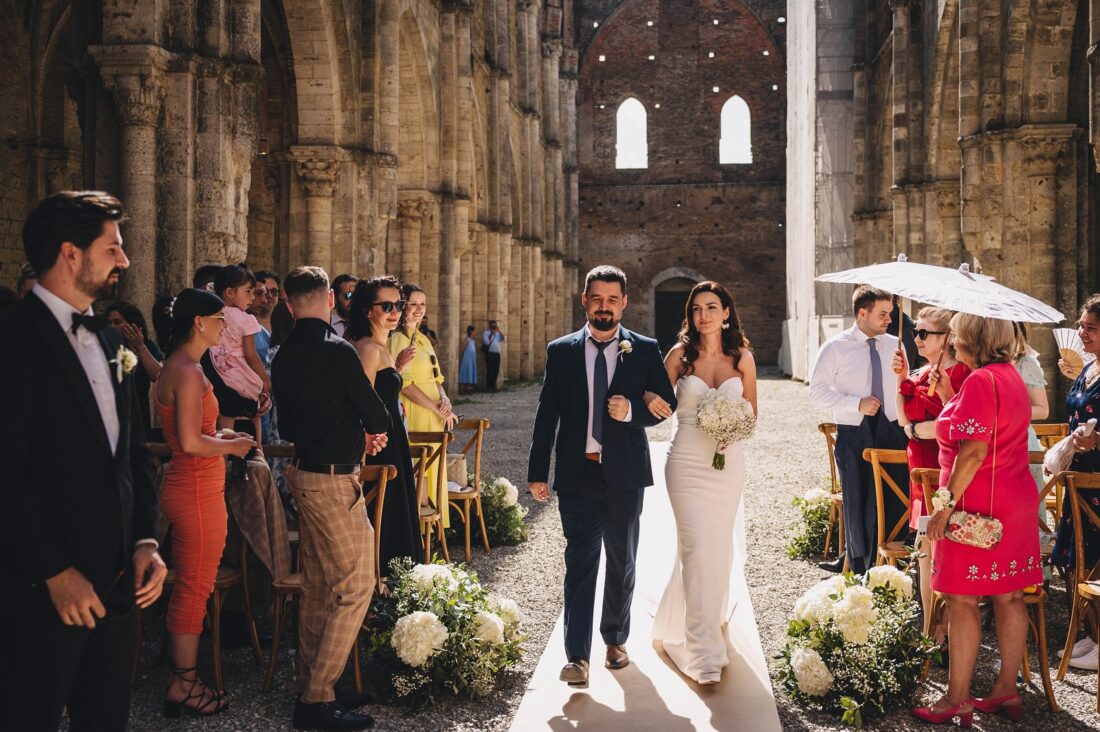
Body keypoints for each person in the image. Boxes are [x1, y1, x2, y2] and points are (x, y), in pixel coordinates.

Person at [0, 191, 167, 730]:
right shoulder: (13, 340)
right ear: (71, 254)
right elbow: (6, 471)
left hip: (115, 586)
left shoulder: (109, 338)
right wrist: (53, 570)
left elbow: (131, 456)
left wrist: (144, 540)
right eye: (113, 248)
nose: (124, 260)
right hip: (36, 591)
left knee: (104, 719)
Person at [527, 265, 678, 687]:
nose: (604, 307)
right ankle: (577, 656)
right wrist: (538, 472)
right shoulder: (562, 351)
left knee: (622, 558)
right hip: (578, 474)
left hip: (625, 475)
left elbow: (666, 404)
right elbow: (546, 416)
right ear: (584, 301)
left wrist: (631, 410)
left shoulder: (645, 349)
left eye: (612, 300)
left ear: (624, 303)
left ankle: (615, 639)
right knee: (579, 562)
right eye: (597, 299)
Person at [271, 266, 389, 731]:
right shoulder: (338, 351)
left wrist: (353, 432)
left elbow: (292, 426)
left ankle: (312, 685)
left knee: (319, 588)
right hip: (334, 481)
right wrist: (366, 431)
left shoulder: (282, 357)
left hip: (303, 472)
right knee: (358, 584)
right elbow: (376, 411)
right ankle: (317, 698)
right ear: (327, 302)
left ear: (287, 302)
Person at [915, 313, 1043, 725]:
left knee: (962, 598)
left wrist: (943, 505)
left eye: (955, 332)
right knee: (1010, 596)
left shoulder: (980, 381)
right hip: (1014, 500)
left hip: (977, 507)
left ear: (970, 339)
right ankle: (1006, 690)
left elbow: (972, 451)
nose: (951, 338)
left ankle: (956, 698)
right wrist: (952, 391)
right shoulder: (1007, 376)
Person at [645, 281, 757, 685]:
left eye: (712, 307)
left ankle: (706, 617)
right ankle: (703, 651)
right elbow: (654, 399)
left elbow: (752, 416)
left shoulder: (743, 357)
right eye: (697, 308)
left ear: (727, 312)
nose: (704, 315)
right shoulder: (679, 355)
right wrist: (646, 401)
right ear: (690, 315)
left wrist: (731, 426)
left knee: (718, 548)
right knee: (695, 548)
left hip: (727, 462)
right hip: (686, 461)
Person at [155, 288, 255, 716]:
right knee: (194, 590)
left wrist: (226, 436)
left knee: (195, 587)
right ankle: (185, 684)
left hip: (194, 485)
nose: (224, 325)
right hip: (196, 489)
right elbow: (192, 442)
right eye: (219, 319)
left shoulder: (178, 367)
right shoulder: (187, 371)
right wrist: (231, 448)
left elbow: (192, 434)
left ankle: (184, 675)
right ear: (199, 322)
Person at [809, 285, 909, 575]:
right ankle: (860, 567)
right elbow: (816, 392)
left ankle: (892, 568)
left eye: (890, 313)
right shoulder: (835, 347)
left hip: (891, 428)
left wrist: (905, 375)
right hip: (854, 431)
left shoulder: (896, 345)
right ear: (862, 313)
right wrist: (856, 403)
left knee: (894, 497)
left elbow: (906, 387)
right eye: (882, 314)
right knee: (859, 498)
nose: (889, 319)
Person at [893, 307, 970, 642]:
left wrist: (920, 429)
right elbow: (902, 420)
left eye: (925, 333)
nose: (917, 338)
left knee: (947, 553)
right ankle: (930, 628)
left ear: (948, 338)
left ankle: (950, 629)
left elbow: (957, 426)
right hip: (920, 471)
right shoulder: (922, 372)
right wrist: (901, 379)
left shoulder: (964, 374)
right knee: (924, 552)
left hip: (946, 471)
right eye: (916, 332)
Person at [346, 276, 421, 571]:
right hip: (380, 443)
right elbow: (359, 403)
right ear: (367, 311)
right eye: (387, 305)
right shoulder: (367, 348)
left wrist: (398, 369)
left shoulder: (382, 346)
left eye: (399, 304)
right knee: (385, 513)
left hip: (393, 438)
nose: (395, 311)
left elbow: (382, 391)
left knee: (397, 509)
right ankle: (384, 583)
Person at [1052, 294, 1100, 670]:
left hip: (1098, 478)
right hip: (1079, 477)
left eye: (1091, 328)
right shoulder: (1088, 368)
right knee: (1083, 557)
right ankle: (1091, 634)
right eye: (1081, 326)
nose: (1082, 333)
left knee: (1099, 557)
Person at [390, 283, 456, 529]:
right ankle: (417, 529)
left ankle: (435, 529)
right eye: (413, 304)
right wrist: (434, 406)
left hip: (434, 414)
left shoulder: (424, 340)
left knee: (435, 471)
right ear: (403, 307)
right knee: (419, 469)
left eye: (422, 304)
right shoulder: (397, 340)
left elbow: (437, 377)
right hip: (416, 412)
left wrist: (445, 398)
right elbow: (403, 384)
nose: (418, 310)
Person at [208, 265, 271, 449]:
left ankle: (224, 451)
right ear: (229, 292)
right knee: (256, 402)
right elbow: (250, 355)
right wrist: (264, 379)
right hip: (238, 369)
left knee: (225, 412)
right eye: (249, 291)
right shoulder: (246, 319)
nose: (252, 297)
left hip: (217, 367)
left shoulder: (213, 315)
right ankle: (258, 446)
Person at [106, 300, 165, 435]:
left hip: (139, 418)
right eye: (109, 323)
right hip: (114, 419)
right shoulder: (107, 348)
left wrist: (139, 347)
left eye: (117, 322)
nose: (112, 327)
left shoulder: (146, 346)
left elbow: (158, 376)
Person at [251, 271, 281, 443]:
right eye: (262, 292)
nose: (268, 297)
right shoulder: (246, 328)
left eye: (273, 292)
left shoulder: (284, 327)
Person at [330, 273, 358, 338]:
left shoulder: (368, 326)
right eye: (348, 295)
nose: (354, 300)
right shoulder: (327, 325)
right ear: (335, 298)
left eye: (357, 295)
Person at [483, 319, 505, 391]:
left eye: (494, 325)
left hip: (497, 353)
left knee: (496, 370)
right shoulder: (486, 333)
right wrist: (492, 334)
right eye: (492, 325)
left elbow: (503, 339)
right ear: (490, 326)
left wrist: (499, 332)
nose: (493, 327)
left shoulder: (498, 334)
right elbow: (486, 342)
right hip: (490, 353)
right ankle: (488, 386)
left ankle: (493, 386)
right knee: (490, 370)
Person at [458, 324, 478, 394]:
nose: (476, 332)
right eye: (474, 331)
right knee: (465, 372)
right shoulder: (467, 339)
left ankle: (466, 388)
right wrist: (460, 358)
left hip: (472, 359)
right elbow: (462, 349)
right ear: (470, 331)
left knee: (470, 373)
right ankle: (461, 389)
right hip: (467, 359)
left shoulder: (473, 340)